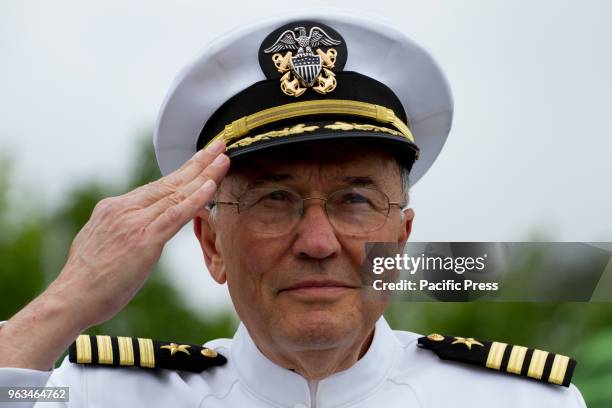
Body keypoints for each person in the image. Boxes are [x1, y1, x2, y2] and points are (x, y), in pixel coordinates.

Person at [0, 12, 586, 407]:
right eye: (274, 200)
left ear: (401, 241)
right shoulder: (93, 394)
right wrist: (67, 300)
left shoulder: (524, 399)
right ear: (210, 244)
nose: (318, 241)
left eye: (355, 200)